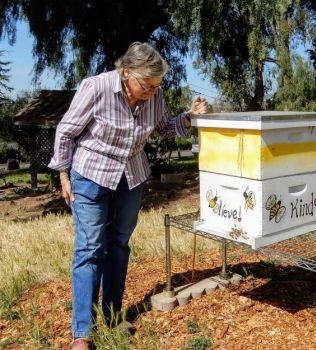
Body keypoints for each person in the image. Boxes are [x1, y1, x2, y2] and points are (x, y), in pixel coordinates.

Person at [48, 42, 208, 350]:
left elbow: (162, 128)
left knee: (118, 245)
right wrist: (63, 174)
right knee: (90, 248)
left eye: (157, 86)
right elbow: (66, 131)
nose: (152, 91)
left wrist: (188, 117)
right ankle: (81, 333)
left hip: (131, 176)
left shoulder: (155, 93)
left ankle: (111, 317)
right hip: (91, 174)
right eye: (146, 85)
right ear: (126, 72)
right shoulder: (96, 88)